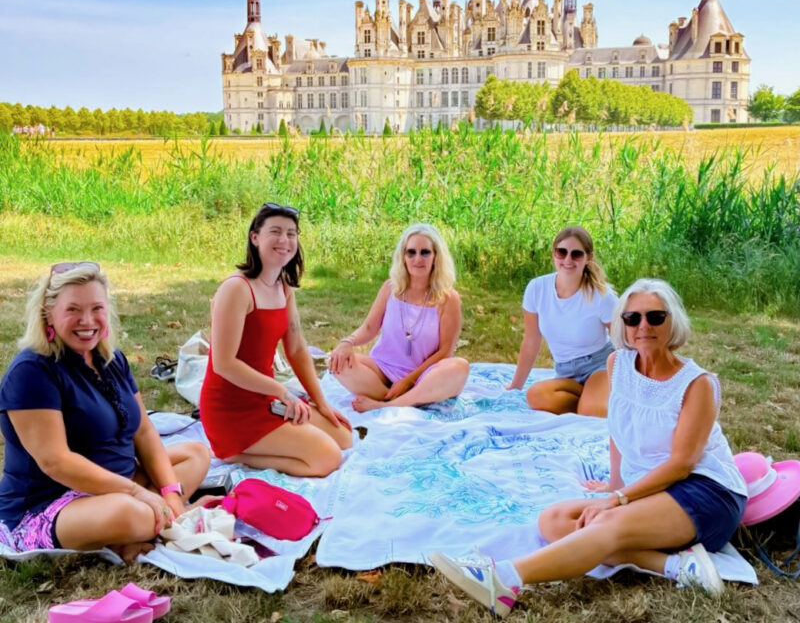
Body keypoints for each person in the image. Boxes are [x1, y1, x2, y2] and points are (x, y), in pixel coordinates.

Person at [430, 279, 748, 616]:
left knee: (602, 525)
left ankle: (504, 579)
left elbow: (681, 465)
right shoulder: (619, 365)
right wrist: (615, 483)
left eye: (655, 317)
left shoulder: (697, 384)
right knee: (553, 521)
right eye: (632, 318)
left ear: (674, 322)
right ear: (622, 325)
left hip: (705, 493)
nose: (643, 327)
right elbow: (618, 427)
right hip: (654, 490)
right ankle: (677, 567)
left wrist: (618, 499)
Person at [0, 262, 210, 562]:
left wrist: (171, 495)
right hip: (50, 503)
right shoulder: (31, 371)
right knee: (131, 513)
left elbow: (144, 431)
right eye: (73, 309)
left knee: (197, 454)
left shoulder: (110, 359)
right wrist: (139, 494)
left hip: (118, 484)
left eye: (96, 308)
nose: (87, 320)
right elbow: (55, 462)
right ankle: (136, 527)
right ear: (48, 312)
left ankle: (148, 522)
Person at [199, 202, 352, 476]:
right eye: (276, 232)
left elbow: (296, 350)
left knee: (344, 437)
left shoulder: (284, 287)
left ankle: (265, 442)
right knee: (327, 458)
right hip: (231, 410)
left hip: (267, 399)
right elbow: (224, 363)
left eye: (291, 233)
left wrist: (322, 403)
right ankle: (235, 453)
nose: (284, 240)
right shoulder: (237, 288)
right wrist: (283, 392)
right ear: (255, 237)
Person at [329, 223, 469, 412]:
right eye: (411, 252)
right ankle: (411, 400)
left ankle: (385, 404)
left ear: (436, 257)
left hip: (423, 376)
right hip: (383, 370)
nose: (417, 259)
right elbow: (369, 328)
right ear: (403, 257)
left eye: (425, 252)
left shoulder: (448, 298)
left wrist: (408, 381)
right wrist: (347, 342)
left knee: (460, 367)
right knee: (338, 362)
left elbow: (445, 351)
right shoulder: (390, 288)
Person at [506, 226, 617, 417]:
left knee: (591, 411)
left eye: (576, 254)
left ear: (588, 257)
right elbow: (531, 341)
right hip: (565, 372)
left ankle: (595, 399)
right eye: (562, 252)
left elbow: (625, 343)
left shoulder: (601, 295)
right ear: (553, 254)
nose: (567, 260)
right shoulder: (536, 289)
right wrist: (516, 386)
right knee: (536, 395)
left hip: (598, 366)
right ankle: (591, 399)